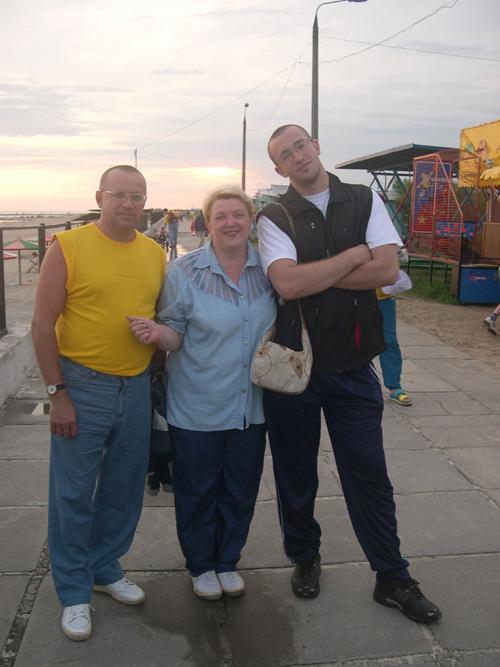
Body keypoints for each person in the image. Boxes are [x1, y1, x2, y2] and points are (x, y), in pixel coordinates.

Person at [257, 124, 441, 624]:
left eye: (301, 145)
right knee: (296, 475)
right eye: (285, 154)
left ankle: (392, 577)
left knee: (369, 474)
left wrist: (319, 273)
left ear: (315, 146)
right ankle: (305, 557)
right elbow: (287, 284)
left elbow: (386, 271)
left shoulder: (362, 199)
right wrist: (355, 256)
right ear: (278, 168)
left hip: (354, 367)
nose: (297, 156)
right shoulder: (273, 217)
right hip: (295, 369)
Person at [31, 165, 166, 641]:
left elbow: (162, 318)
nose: (129, 204)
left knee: (124, 487)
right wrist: (57, 395)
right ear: (99, 197)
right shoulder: (68, 246)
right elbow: (42, 325)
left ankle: (105, 566)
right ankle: (73, 590)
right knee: (73, 492)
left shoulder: (155, 253)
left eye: (137, 196)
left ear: (145, 202)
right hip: (81, 385)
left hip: (135, 386)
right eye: (119, 195)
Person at [129, 185, 275, 601]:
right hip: (197, 403)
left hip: (251, 404)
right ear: (206, 223)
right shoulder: (184, 271)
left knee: (241, 487)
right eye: (220, 216)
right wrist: (157, 333)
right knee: (197, 489)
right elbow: (174, 334)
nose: (230, 223)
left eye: (238, 215)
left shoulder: (270, 269)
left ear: (251, 220)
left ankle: (227, 560)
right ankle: (200, 564)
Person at [376, 276, 412, 406]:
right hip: (355, 295)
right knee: (353, 340)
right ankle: (351, 386)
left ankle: (394, 387)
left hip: (384, 297)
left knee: (389, 341)